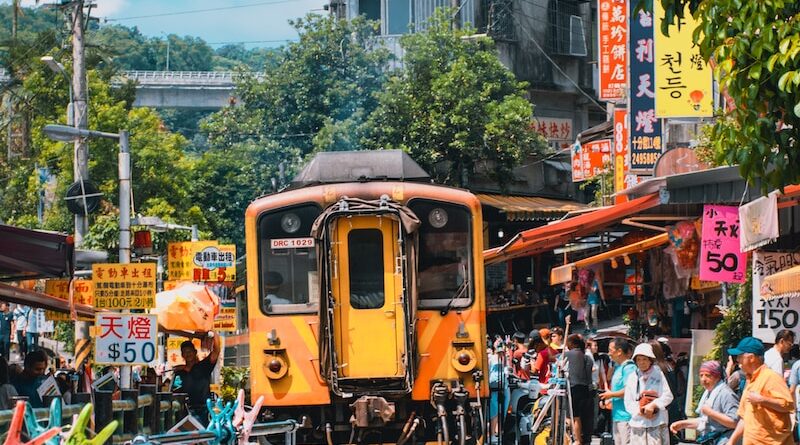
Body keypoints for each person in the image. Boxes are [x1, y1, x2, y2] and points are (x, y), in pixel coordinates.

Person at [727, 336, 793, 445]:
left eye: (740, 356)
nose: (738, 360)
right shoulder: (750, 381)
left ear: (751, 358)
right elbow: (744, 417)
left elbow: (788, 405)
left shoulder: (771, 377)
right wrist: (731, 441)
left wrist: (763, 400)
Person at [670, 360, 738, 445]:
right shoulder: (708, 393)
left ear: (717, 376)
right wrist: (683, 424)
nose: (703, 379)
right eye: (701, 375)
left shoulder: (726, 394)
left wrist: (711, 413)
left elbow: (735, 423)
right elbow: (706, 422)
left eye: (708, 375)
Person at [624, 343, 673, 445]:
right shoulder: (632, 377)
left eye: (644, 359)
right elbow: (628, 402)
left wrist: (654, 405)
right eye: (639, 360)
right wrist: (642, 411)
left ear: (650, 360)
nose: (641, 362)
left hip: (658, 422)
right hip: (638, 424)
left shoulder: (659, 374)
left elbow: (668, 396)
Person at [174, 334, 221, 421]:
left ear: (195, 352)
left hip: (203, 410)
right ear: (182, 355)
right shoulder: (179, 372)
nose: (188, 354)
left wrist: (214, 333)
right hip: (184, 411)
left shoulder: (204, 366)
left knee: (203, 433)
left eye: (189, 351)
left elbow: (216, 351)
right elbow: (175, 390)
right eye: (185, 352)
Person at [599, 337, 636, 445]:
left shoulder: (629, 368)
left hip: (626, 416)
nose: (609, 353)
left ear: (619, 351)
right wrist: (610, 399)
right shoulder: (619, 367)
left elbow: (629, 390)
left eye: (611, 350)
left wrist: (610, 395)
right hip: (618, 415)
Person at [565, 334, 594, 445]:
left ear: (572, 344)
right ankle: (581, 439)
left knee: (572, 416)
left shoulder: (566, 355)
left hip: (572, 388)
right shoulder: (587, 358)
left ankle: (575, 439)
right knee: (582, 416)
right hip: (585, 390)